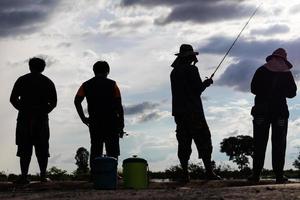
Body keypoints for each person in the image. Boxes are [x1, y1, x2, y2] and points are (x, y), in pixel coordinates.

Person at [170, 44, 221, 182]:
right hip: (194, 112)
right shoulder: (192, 69)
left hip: (179, 113)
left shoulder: (174, 72)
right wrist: (206, 83)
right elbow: (197, 89)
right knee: (204, 140)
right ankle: (209, 172)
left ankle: (185, 173)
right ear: (190, 57)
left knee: (183, 142)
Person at [249, 48, 297, 184]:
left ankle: (256, 175)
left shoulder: (261, 70)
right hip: (280, 113)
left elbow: (253, 89)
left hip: (261, 112)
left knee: (259, 142)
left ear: (272, 58)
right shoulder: (287, 74)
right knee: (279, 143)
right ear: (284, 59)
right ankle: (279, 176)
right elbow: (292, 93)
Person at [10, 57, 57, 184]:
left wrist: (23, 109)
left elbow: (13, 99)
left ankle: (24, 176)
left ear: (30, 66)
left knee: (24, 147)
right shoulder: (48, 82)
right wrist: (43, 111)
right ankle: (42, 176)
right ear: (43, 68)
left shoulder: (22, 80)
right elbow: (54, 102)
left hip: (24, 119)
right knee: (42, 147)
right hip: (41, 120)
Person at [74, 61, 124, 178]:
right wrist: (121, 124)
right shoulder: (113, 84)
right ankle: (112, 173)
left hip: (95, 121)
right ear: (107, 71)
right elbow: (119, 106)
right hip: (111, 121)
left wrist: (83, 118)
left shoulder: (86, 85)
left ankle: (94, 174)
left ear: (94, 71)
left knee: (96, 147)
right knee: (112, 148)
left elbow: (77, 101)